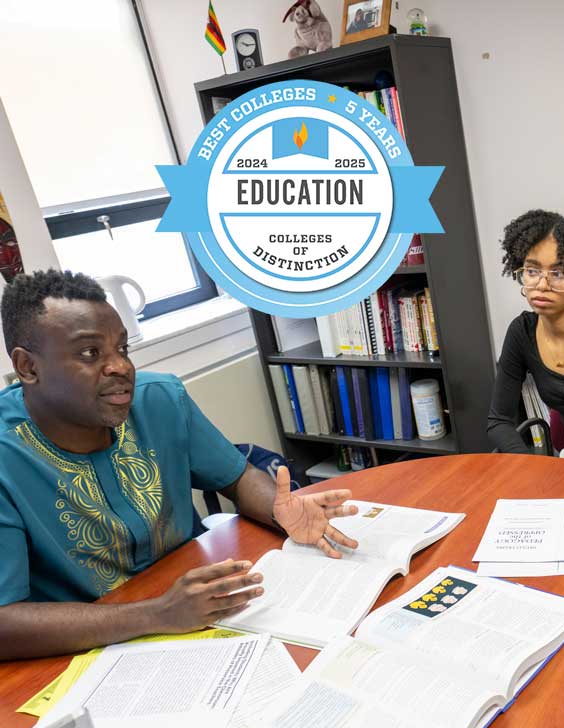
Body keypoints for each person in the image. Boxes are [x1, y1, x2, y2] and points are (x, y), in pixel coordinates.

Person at [0, 269, 359, 661]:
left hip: (203, 614)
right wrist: (158, 614)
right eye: (90, 353)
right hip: (79, 654)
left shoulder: (160, 399)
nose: (120, 367)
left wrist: (280, 510)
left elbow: (237, 477)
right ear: (27, 367)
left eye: (122, 349)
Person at [487, 209, 564, 458]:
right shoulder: (522, 332)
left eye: (558, 273)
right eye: (532, 271)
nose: (541, 284)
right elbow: (499, 421)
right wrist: (535, 468)